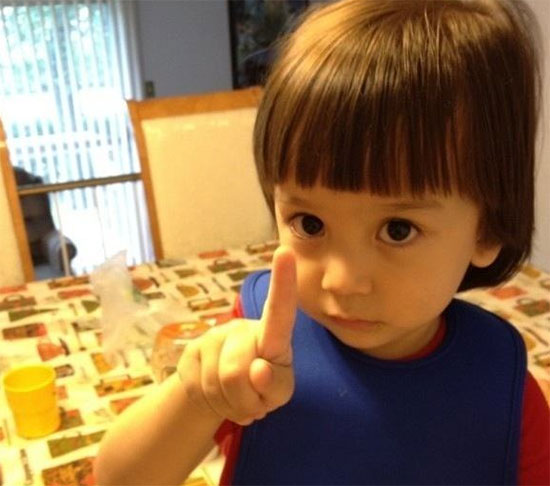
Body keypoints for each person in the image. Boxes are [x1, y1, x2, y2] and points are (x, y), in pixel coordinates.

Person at [94, 0, 550, 484]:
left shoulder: (501, 390)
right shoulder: (259, 345)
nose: (341, 281)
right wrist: (197, 399)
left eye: (398, 229)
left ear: (487, 229)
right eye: (309, 223)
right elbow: (118, 480)